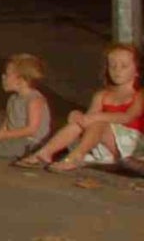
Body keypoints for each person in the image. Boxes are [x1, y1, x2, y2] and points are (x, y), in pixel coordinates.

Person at [18, 41, 144, 172]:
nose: (117, 70)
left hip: (133, 147)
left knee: (99, 123)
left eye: (124, 66)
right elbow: (88, 120)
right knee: (80, 123)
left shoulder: (139, 94)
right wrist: (79, 117)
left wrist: (96, 117)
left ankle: (75, 157)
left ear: (137, 71)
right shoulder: (102, 95)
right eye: (113, 66)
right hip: (107, 146)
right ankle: (44, 153)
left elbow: (127, 117)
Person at [0, 53, 51, 161]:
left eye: (7, 75)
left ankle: (33, 152)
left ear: (20, 81)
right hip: (13, 137)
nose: (3, 77)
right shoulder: (13, 99)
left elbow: (31, 129)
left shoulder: (34, 100)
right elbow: (8, 122)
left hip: (30, 140)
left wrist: (4, 136)